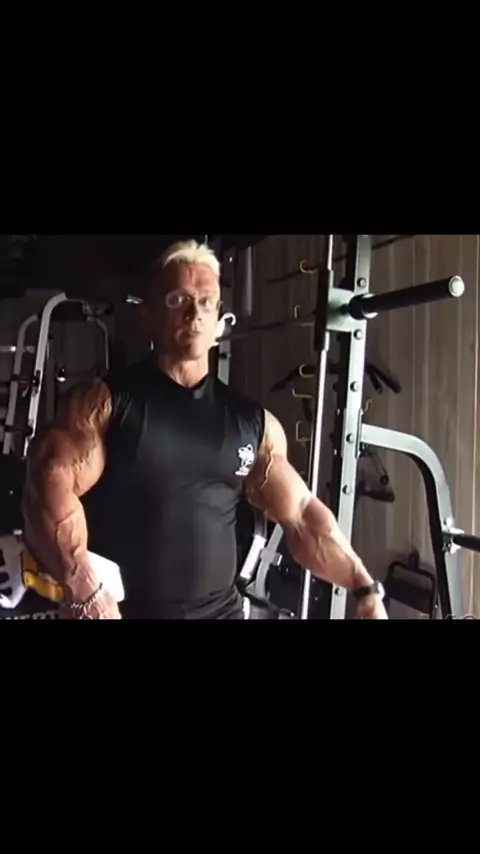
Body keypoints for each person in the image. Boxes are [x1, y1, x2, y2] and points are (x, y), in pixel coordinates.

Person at [22, 240, 388, 620]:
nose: (194, 312)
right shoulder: (104, 404)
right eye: (178, 300)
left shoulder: (253, 424)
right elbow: (47, 484)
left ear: (219, 322)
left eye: (207, 301)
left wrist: (363, 585)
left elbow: (302, 514)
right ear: (147, 314)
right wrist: (85, 587)